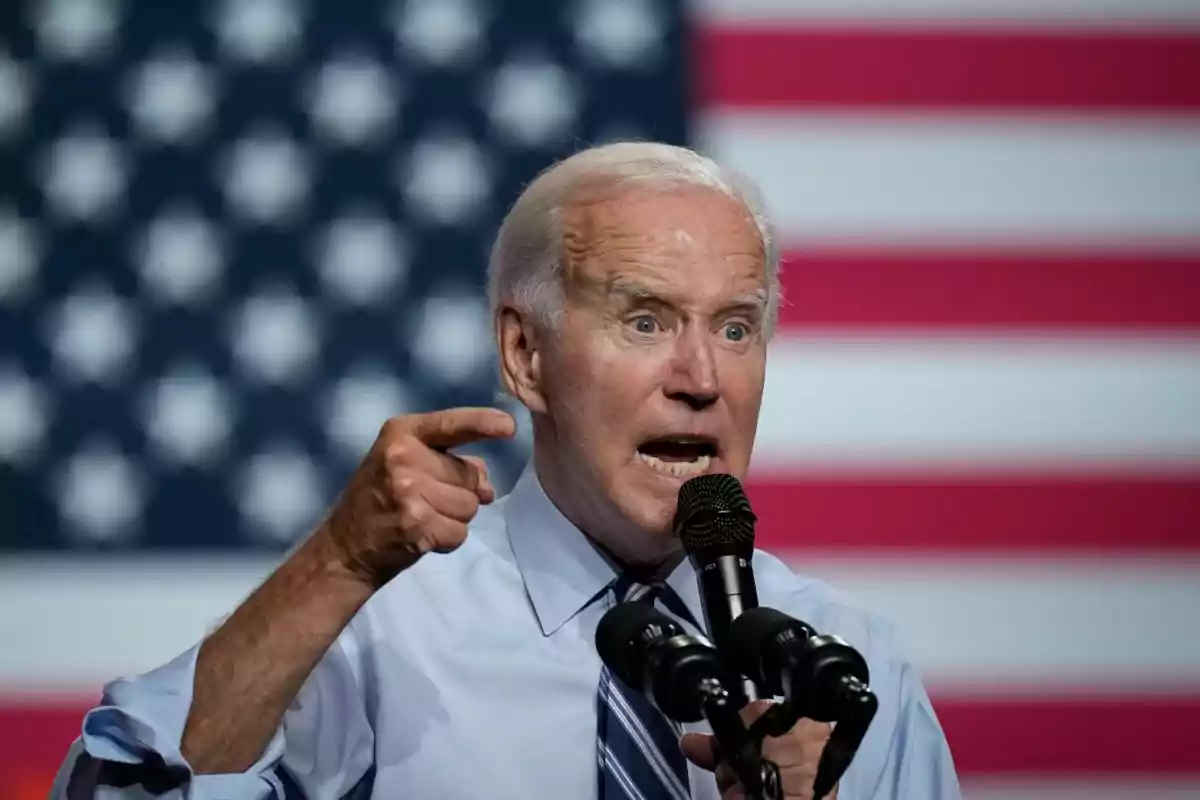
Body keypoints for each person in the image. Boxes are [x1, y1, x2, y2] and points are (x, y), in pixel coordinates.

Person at [50, 142, 963, 799]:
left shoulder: (849, 670)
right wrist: (336, 562)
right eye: (644, 321)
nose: (701, 379)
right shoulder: (379, 642)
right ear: (525, 356)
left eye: (735, 328)